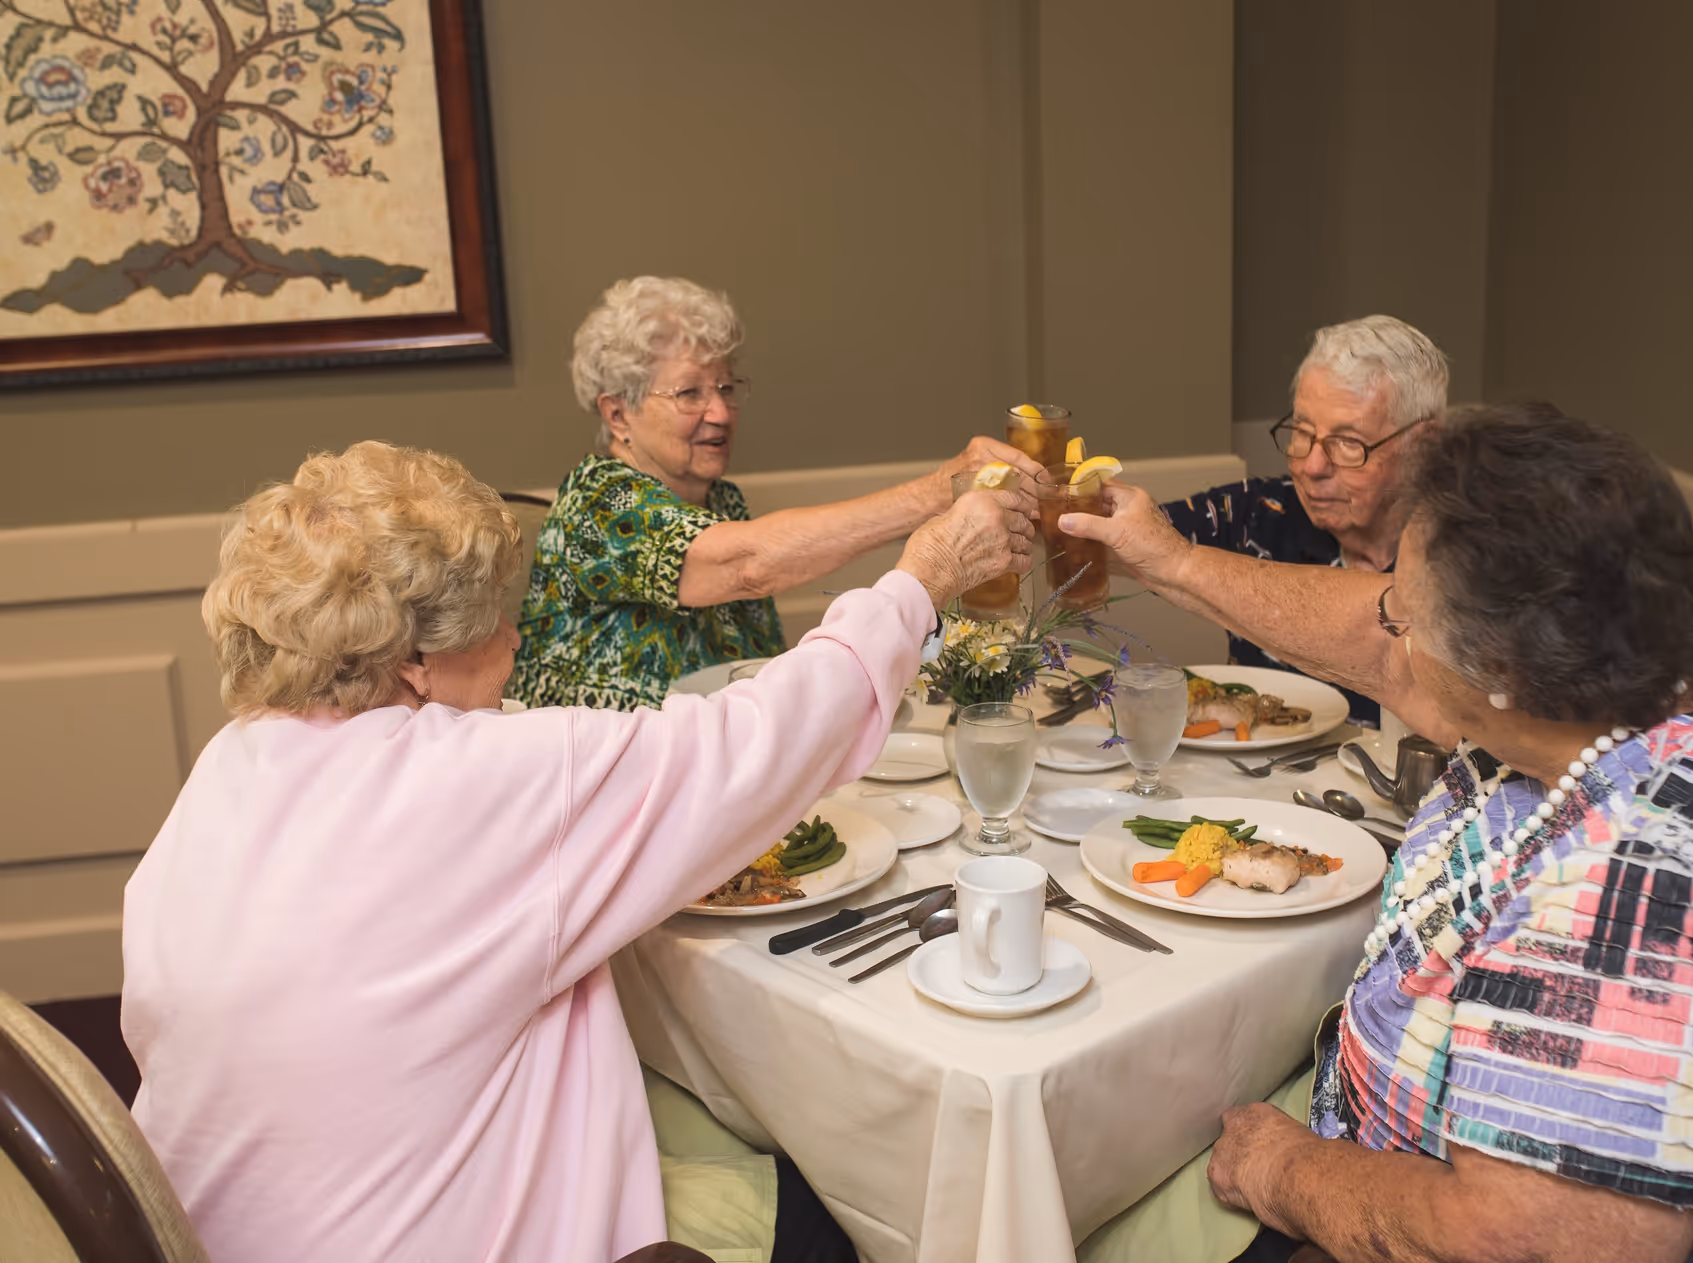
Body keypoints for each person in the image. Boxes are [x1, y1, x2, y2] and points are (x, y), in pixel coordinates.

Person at [121, 441, 1033, 1262]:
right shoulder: (482, 783)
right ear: (412, 665)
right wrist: (923, 577)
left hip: (218, 1226)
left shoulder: (227, 767)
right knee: (846, 1217)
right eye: (491, 623)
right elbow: (761, 742)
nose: (516, 641)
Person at [1059, 404, 1693, 1262]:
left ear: (1499, 674)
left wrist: (1282, 1170)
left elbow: (1519, 1243)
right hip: (1399, 1125)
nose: (1384, 624)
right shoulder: (1676, 661)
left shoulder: (1653, 902)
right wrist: (1172, 562)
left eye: (1402, 613)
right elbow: (1381, 649)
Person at [510, 276, 1048, 711]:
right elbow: (750, 564)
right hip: (604, 787)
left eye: (725, 387)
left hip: (709, 776)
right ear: (617, 413)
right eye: (690, 393)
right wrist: (940, 490)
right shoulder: (597, 501)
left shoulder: (723, 502)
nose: (720, 412)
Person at [1160, 314, 1446, 726]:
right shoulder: (1259, 511)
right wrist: (1044, 498)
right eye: (1301, 431)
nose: (1311, 467)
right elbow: (1126, 537)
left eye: (1348, 443)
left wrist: (1185, 564)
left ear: (1422, 447)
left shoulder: (1464, 557)